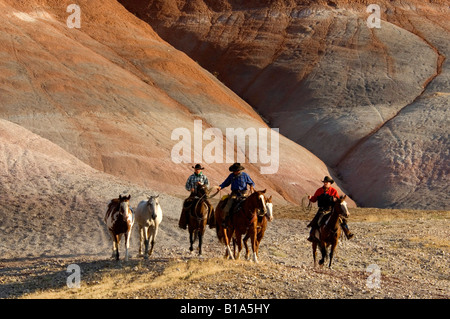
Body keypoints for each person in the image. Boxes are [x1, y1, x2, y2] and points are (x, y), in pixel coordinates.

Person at [307, 176, 353, 241]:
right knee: (315, 221)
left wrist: (336, 200)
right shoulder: (319, 190)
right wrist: (311, 198)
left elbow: (338, 201)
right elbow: (314, 199)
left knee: (342, 220)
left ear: (330, 183)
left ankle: (348, 233)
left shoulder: (334, 191)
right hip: (322, 209)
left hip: (331, 209)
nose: (325, 183)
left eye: (327, 182)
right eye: (325, 182)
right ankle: (312, 236)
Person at [178, 164, 211, 229]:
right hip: (193, 194)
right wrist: (190, 188)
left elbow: (207, 186)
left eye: (198, 169)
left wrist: (201, 184)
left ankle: (211, 222)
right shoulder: (191, 177)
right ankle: (183, 223)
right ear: (194, 170)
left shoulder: (204, 177)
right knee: (186, 204)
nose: (197, 170)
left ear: (201, 170)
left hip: (202, 195)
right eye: (196, 169)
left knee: (210, 206)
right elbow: (187, 185)